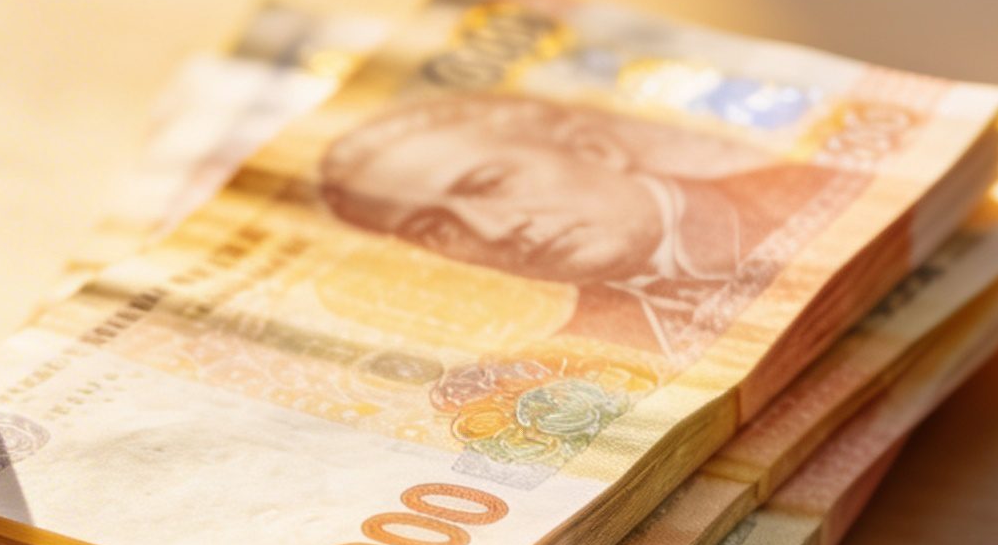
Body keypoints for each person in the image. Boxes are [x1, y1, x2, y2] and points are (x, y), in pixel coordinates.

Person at [317, 92, 840, 359]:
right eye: (433, 228)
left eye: (489, 184)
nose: (493, 231)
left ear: (594, 148)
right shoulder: (574, 363)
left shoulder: (830, 195)